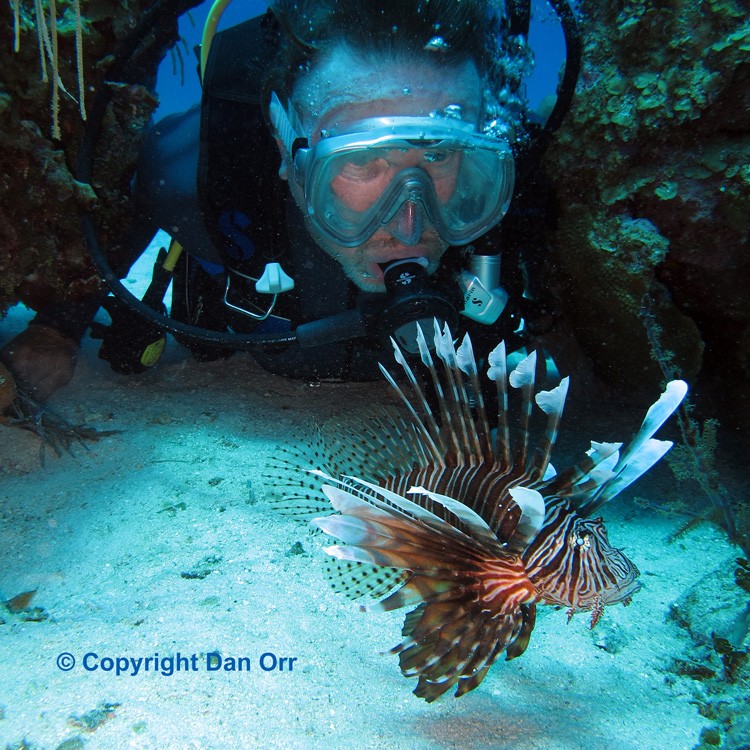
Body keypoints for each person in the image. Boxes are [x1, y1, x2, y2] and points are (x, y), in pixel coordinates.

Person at [2, 0, 571, 399]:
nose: (407, 224)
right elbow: (111, 209)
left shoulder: (513, 205)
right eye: (363, 160)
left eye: (440, 156)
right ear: (284, 144)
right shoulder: (189, 177)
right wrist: (55, 328)